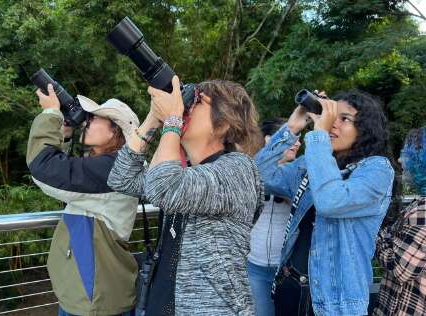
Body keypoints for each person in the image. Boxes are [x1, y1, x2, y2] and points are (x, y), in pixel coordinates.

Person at [108, 76, 264, 315]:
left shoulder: (239, 170)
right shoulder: (185, 170)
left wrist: (172, 119)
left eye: (197, 102)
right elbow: (122, 179)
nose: (185, 107)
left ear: (223, 125)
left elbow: (165, 187)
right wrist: (153, 119)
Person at [255, 90, 394, 315]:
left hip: (334, 303)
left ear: (365, 129)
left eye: (344, 119)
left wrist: (319, 135)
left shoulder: (376, 169)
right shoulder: (308, 164)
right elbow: (258, 178)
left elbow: (330, 200)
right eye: (331, 116)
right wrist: (292, 127)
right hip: (288, 289)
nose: (332, 124)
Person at [26, 84, 140, 316]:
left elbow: (45, 170)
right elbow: (66, 180)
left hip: (94, 301)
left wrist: (50, 115)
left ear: (115, 132)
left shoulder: (113, 170)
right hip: (91, 295)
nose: (86, 121)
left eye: (95, 119)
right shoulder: (111, 167)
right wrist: (64, 134)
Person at [247, 118, 301, 316]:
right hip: (255, 264)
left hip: (288, 268)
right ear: (270, 139)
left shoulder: (300, 174)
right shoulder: (251, 169)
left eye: (298, 138)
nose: (297, 142)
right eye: (291, 138)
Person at [374, 127, 426, 316]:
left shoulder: (423, 211)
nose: (400, 160)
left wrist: (376, 231)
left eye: (406, 155)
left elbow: (400, 269)